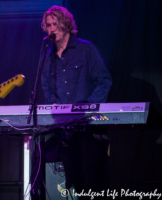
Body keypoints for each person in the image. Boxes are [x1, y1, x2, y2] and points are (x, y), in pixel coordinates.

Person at [40, 5, 112, 197]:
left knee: (93, 182)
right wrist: (52, 103)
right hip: (64, 132)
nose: (51, 29)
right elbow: (47, 87)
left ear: (66, 25)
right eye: (48, 25)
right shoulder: (46, 58)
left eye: (55, 24)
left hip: (89, 128)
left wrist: (89, 106)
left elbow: (104, 81)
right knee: (75, 183)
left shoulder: (86, 49)